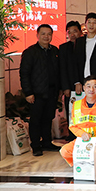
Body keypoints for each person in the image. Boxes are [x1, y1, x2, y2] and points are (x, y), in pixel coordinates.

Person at [20, 24, 61, 156]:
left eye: (49, 34)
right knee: (36, 120)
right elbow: (24, 74)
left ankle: (47, 143)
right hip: (36, 93)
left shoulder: (55, 51)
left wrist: (59, 90)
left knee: (48, 118)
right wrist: (28, 93)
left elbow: (58, 72)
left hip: (51, 92)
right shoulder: (30, 52)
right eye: (43, 34)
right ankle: (36, 145)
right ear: (37, 35)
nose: (46, 36)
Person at [59, 76, 96, 169]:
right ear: (84, 88)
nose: (91, 89)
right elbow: (72, 126)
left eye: (95, 86)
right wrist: (82, 134)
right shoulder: (76, 105)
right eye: (88, 86)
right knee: (65, 151)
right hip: (82, 140)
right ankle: (80, 166)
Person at [60, 20, 82, 137]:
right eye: (69, 32)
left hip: (85, 86)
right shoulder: (63, 48)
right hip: (69, 86)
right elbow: (62, 69)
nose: (72, 34)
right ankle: (72, 136)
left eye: (75, 31)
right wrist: (65, 87)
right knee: (71, 111)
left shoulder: (85, 45)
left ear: (80, 32)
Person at [73, 12, 96, 95]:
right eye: (89, 22)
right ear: (85, 24)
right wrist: (77, 82)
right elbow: (75, 62)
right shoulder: (79, 41)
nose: (91, 25)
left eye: (94, 22)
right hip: (82, 82)